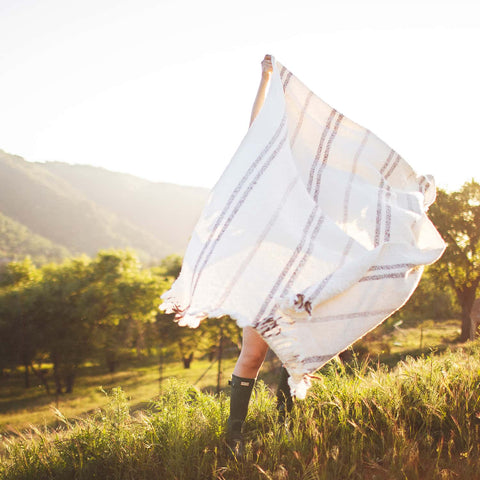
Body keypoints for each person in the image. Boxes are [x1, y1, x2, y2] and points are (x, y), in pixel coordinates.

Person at [225, 55, 293, 458]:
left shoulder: (300, 184)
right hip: (256, 274)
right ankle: (234, 436)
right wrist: (265, 80)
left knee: (293, 351)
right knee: (252, 354)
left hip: (293, 273)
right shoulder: (258, 175)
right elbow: (255, 128)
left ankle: (288, 427)